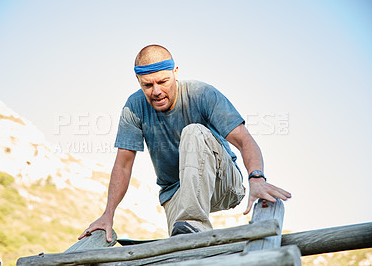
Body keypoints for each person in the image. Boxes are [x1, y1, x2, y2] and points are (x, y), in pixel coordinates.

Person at [79, 44, 291, 241]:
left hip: (223, 183)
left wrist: (257, 178)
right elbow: (123, 165)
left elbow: (244, 139)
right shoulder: (133, 107)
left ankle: (192, 222)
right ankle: (190, 227)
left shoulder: (202, 94)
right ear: (138, 80)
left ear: (176, 72)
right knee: (185, 244)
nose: (156, 91)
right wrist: (108, 215)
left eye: (163, 81)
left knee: (193, 132)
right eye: (148, 85)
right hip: (176, 195)